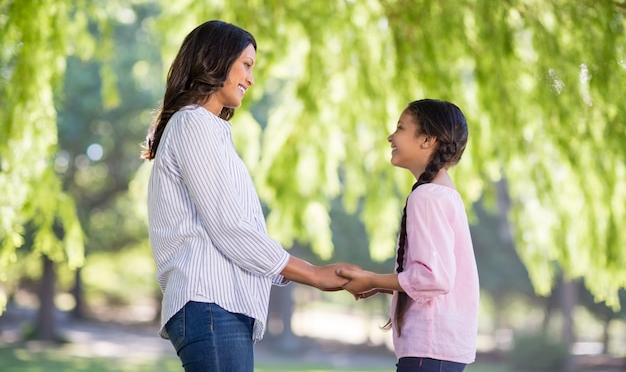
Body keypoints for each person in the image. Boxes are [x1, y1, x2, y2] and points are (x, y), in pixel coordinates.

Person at [141, 20, 357, 372]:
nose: (251, 79)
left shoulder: (209, 129)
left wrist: (290, 273)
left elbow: (238, 232)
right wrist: (313, 274)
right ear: (216, 60)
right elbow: (230, 229)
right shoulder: (192, 123)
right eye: (246, 64)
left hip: (220, 306)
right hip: (210, 303)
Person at [337, 99, 479, 372]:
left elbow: (434, 278)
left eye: (400, 128)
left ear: (427, 140)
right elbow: (434, 275)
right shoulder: (443, 194)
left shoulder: (427, 197)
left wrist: (371, 278)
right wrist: (381, 285)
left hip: (429, 348)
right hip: (440, 349)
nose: (391, 136)